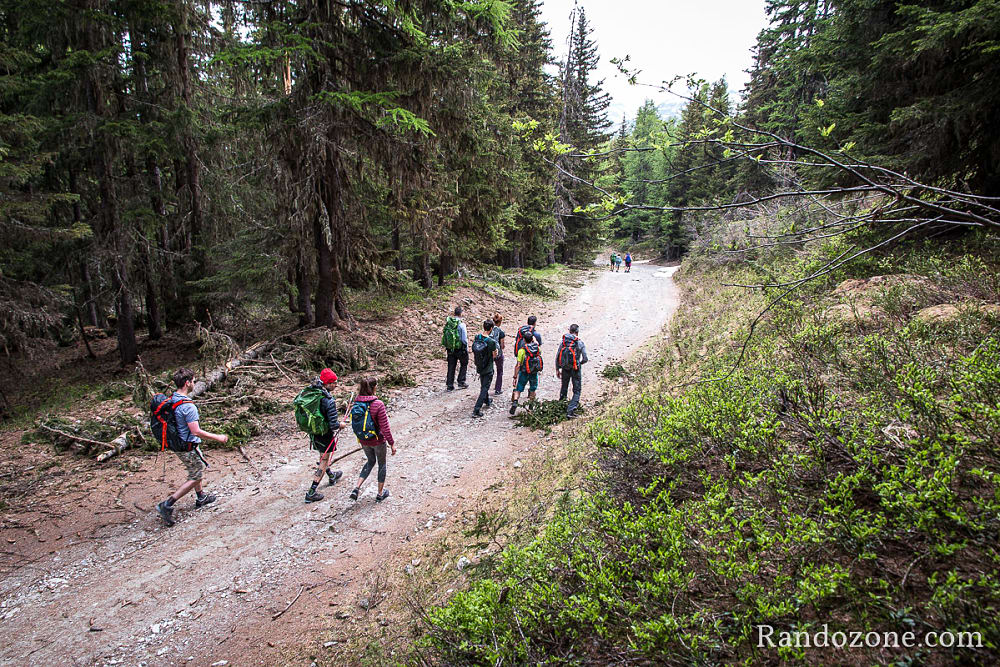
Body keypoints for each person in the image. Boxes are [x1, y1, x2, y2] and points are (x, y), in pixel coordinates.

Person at [156, 368, 229, 527]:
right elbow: (196, 431)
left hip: (178, 443)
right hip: (187, 446)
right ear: (187, 383)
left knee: (196, 468)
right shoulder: (188, 406)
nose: (194, 384)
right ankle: (167, 504)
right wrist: (218, 437)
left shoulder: (174, 398)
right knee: (196, 475)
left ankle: (201, 496)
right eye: (193, 381)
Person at [348, 377, 396, 502]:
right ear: (374, 387)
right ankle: (380, 493)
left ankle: (357, 487)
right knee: (382, 464)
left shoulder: (357, 403)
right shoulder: (377, 404)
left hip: (363, 440)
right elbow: (385, 427)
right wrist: (392, 443)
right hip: (377, 440)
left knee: (370, 461)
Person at [303, 368, 346, 503]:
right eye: (334, 382)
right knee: (324, 461)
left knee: (322, 456)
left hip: (314, 432)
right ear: (327, 383)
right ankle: (312, 491)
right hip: (324, 434)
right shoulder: (328, 400)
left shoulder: (313, 393)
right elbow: (333, 425)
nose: (336, 385)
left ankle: (332, 476)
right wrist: (341, 425)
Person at [509, 318, 543, 415]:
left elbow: (518, 365)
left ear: (524, 340)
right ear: (532, 339)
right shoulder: (537, 348)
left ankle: (515, 402)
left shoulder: (521, 351)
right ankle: (531, 408)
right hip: (533, 373)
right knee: (533, 389)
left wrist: (515, 376)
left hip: (524, 372)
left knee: (519, 389)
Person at [555, 323, 589, 418]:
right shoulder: (579, 342)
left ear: (569, 331)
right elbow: (585, 358)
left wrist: (557, 369)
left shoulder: (564, 342)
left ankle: (560, 407)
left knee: (564, 387)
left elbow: (558, 356)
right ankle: (570, 410)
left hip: (565, 368)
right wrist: (579, 363)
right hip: (575, 368)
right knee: (577, 390)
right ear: (577, 332)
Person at [471, 319, 500, 417]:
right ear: (491, 328)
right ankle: (476, 409)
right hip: (488, 366)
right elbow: (494, 355)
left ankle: (487, 400)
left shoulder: (477, 337)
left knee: (484, 384)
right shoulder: (491, 341)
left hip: (479, 365)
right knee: (484, 387)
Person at [442, 305, 469, 391]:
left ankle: (449, 385)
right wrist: (466, 347)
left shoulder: (449, 323)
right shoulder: (461, 324)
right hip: (460, 348)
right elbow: (464, 339)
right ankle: (461, 381)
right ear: (461, 313)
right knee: (464, 363)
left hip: (450, 348)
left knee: (451, 366)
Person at [490, 313, 506, 395]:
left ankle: (486, 386)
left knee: (489, 370)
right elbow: (502, 346)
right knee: (499, 371)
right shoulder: (501, 332)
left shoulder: (489, 330)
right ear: (500, 322)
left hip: (489, 353)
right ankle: (497, 389)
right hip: (498, 354)